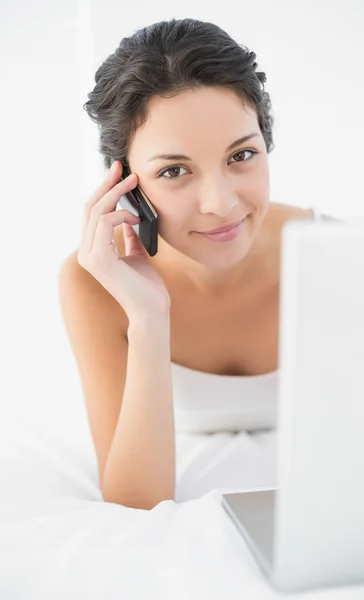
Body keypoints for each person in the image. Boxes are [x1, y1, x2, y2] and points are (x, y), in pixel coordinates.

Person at [58, 17, 339, 510]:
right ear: (126, 186)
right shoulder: (95, 283)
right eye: (174, 170)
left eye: (242, 155)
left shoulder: (334, 251)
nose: (222, 204)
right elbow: (136, 501)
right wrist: (147, 318)